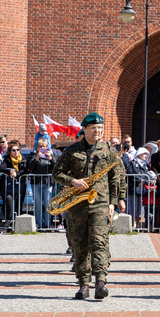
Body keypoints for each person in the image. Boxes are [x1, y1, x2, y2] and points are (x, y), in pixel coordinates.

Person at [52, 113, 126, 299]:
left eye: (100, 128)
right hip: (77, 203)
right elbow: (57, 173)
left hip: (100, 202)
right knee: (79, 243)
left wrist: (114, 201)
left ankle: (100, 281)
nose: (98, 131)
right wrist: (73, 181)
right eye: (94, 128)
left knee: (99, 242)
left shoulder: (108, 150)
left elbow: (117, 177)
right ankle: (83, 284)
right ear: (84, 129)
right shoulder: (72, 150)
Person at [27, 137, 56, 230]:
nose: (42, 148)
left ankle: (47, 224)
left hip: (47, 183)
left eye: (44, 146)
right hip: (36, 182)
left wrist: (51, 158)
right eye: (40, 146)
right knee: (38, 204)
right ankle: (39, 223)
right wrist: (37, 157)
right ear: (37, 147)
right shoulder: (33, 155)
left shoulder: (50, 154)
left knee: (48, 203)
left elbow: (56, 167)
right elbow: (30, 167)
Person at [0, 140, 28, 230]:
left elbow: (26, 170)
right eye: (13, 150)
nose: (16, 152)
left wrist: (17, 174)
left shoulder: (23, 159)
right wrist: (10, 170)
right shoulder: (6, 158)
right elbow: (2, 168)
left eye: (17, 150)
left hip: (20, 185)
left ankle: (17, 226)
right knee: (9, 202)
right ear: (10, 151)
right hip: (8, 185)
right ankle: (8, 222)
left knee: (19, 204)